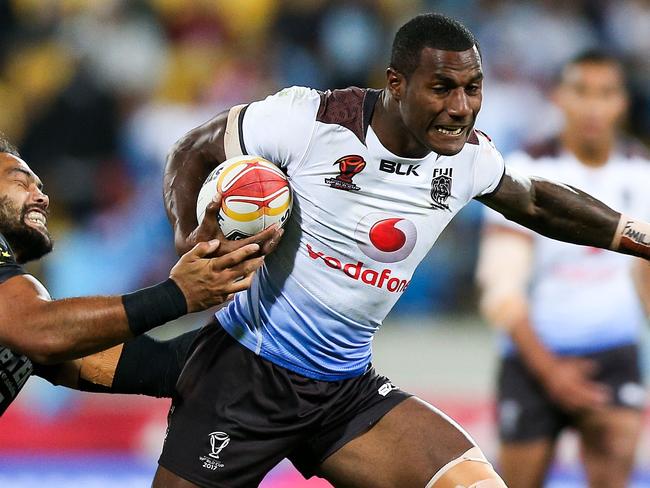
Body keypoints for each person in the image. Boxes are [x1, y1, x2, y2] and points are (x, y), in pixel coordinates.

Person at [158, 13, 650, 488]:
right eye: (441, 88)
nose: (460, 107)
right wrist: (188, 238)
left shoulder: (468, 159)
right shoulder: (310, 119)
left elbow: (538, 201)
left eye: (472, 87)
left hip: (345, 391)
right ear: (396, 83)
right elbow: (193, 148)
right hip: (246, 372)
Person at [0, 136, 281, 415]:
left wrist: (262, 313)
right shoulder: (32, 324)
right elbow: (40, 328)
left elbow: (163, 366)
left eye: (40, 187)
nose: (43, 197)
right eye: (21, 183)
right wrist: (179, 293)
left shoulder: (26, 329)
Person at [476, 51, 650, 488]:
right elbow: (501, 288)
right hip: (533, 359)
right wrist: (551, 370)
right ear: (559, 98)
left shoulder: (643, 173)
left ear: (622, 102)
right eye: (581, 91)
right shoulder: (525, 171)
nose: (593, 106)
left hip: (613, 355)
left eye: (606, 93)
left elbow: (644, 278)